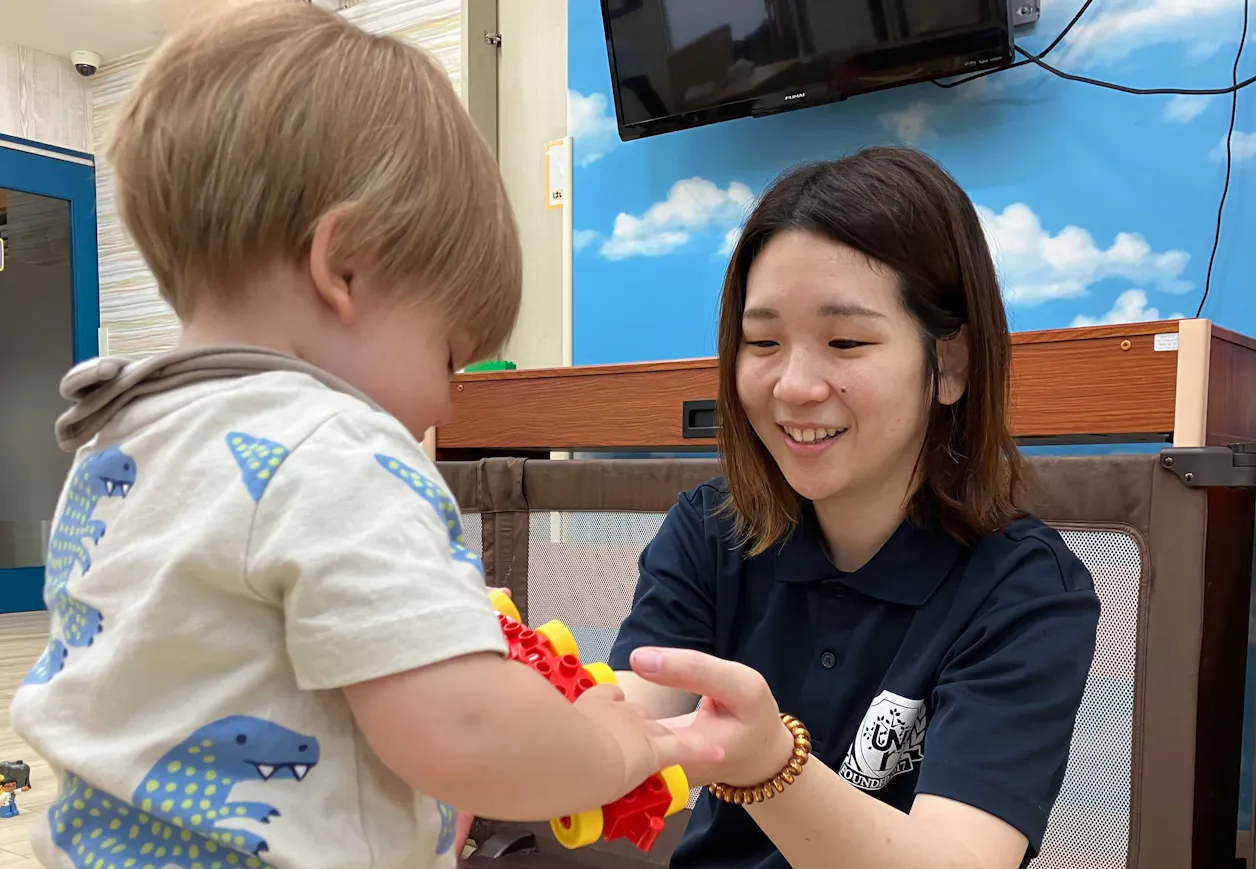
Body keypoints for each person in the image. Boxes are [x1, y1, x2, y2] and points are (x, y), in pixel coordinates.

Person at [8, 4, 718, 869]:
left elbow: (214, 679)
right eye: (450, 357)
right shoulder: (336, 449)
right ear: (345, 267)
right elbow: (467, 728)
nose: (449, 408)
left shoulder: (116, 439)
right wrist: (615, 749)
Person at [608, 147, 1102, 869]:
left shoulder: (1025, 591)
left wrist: (769, 763)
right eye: (762, 342)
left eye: (845, 341)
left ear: (952, 364)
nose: (794, 385)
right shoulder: (712, 527)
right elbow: (625, 717)